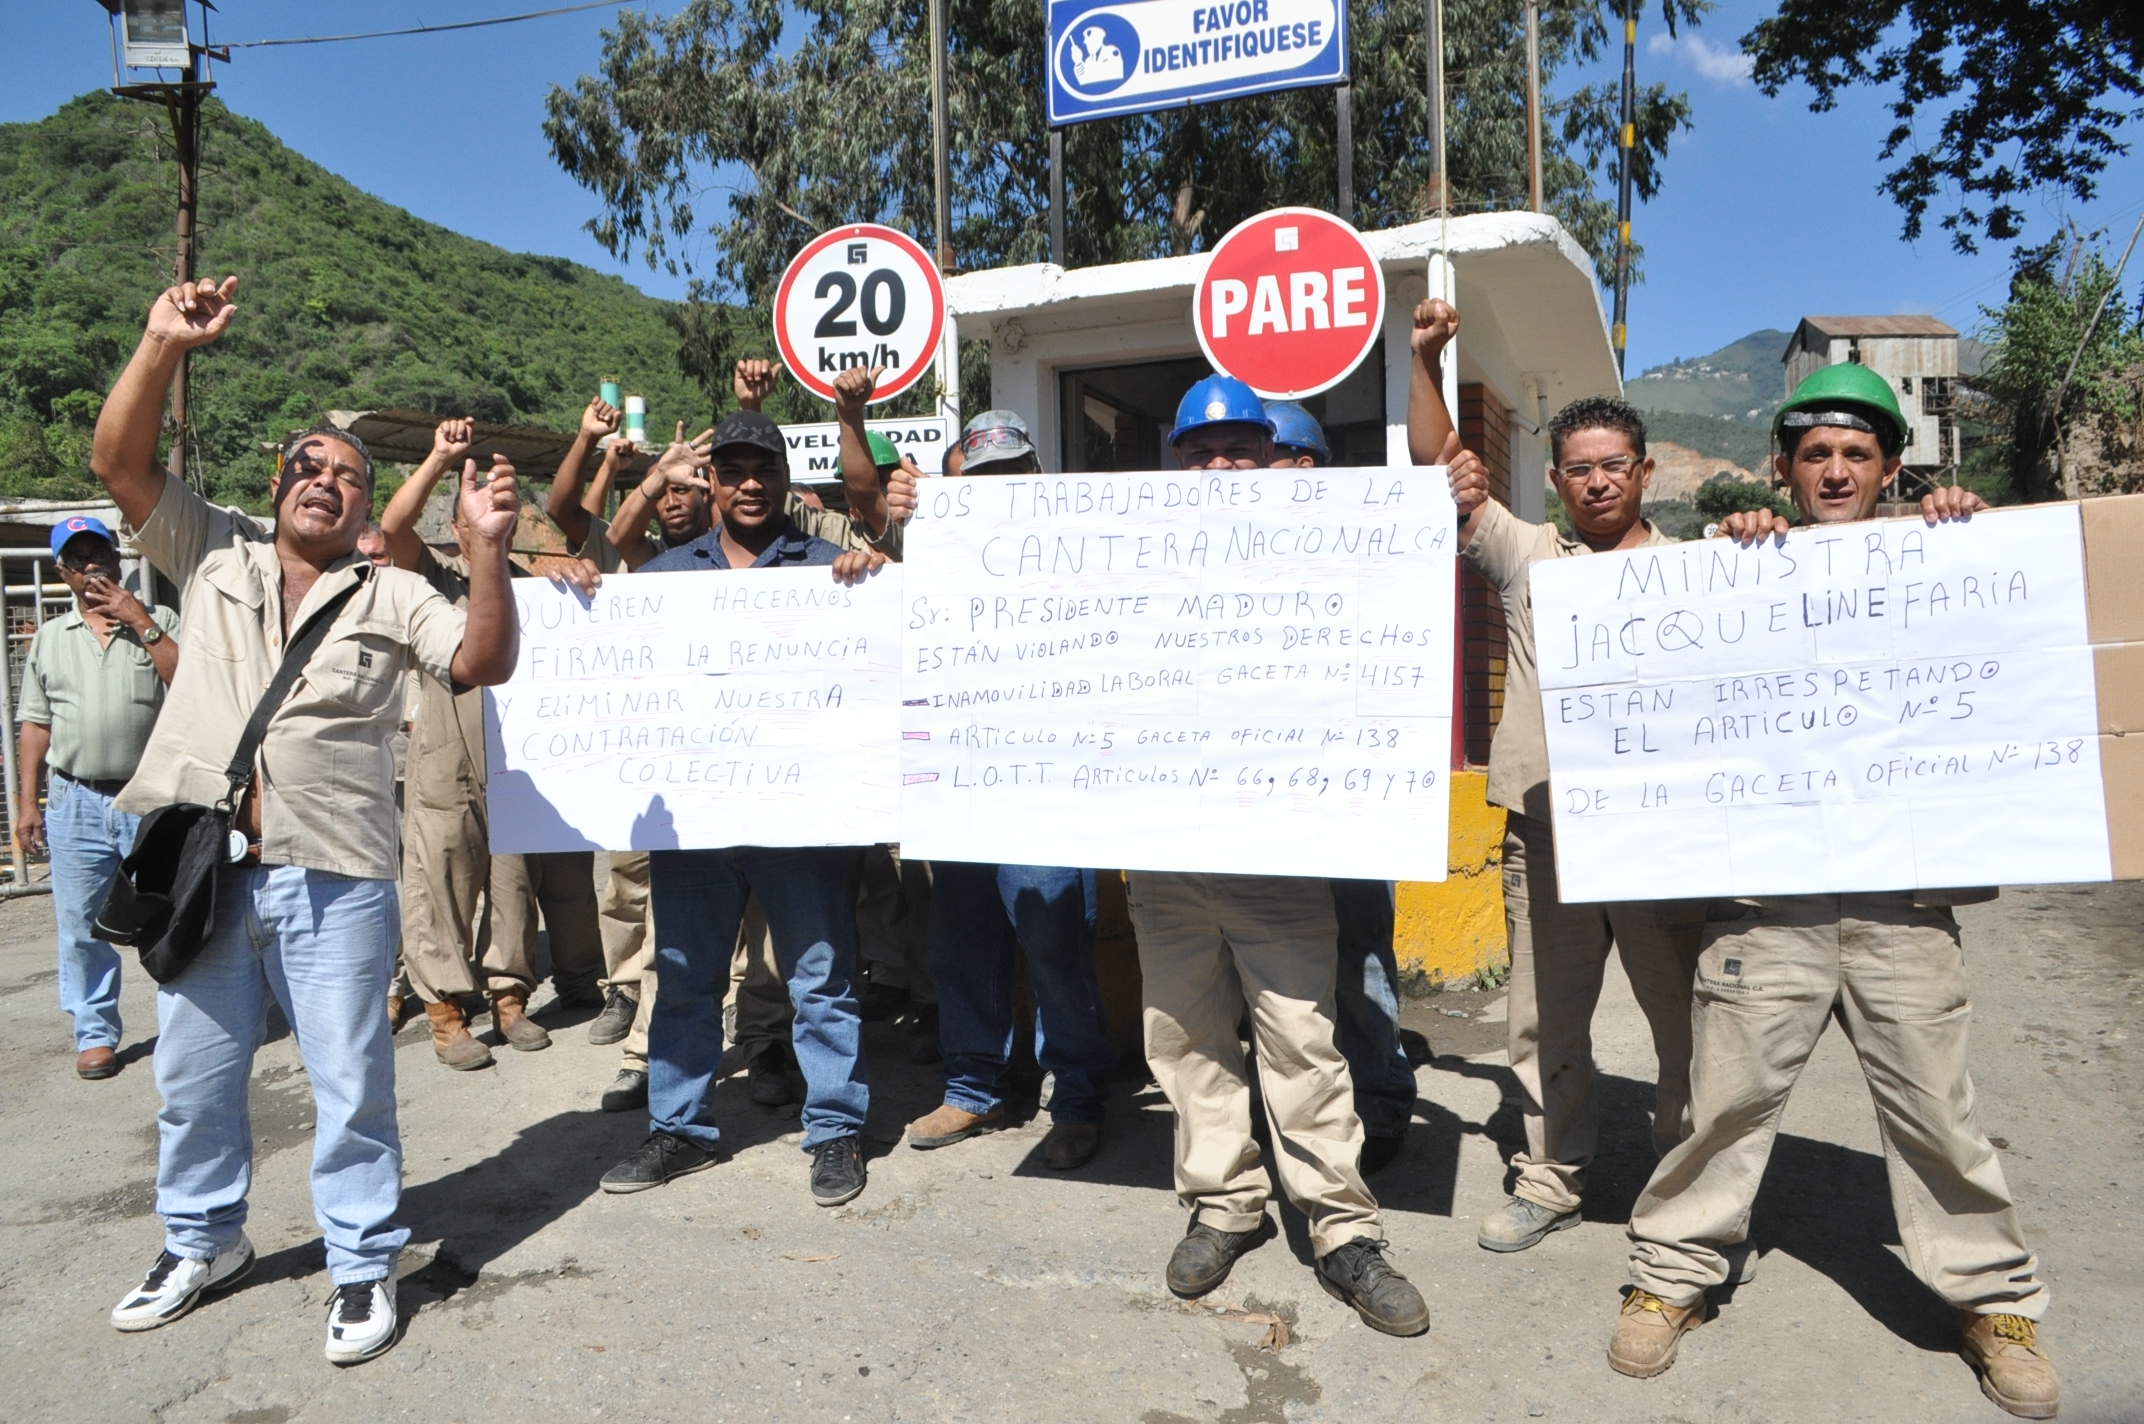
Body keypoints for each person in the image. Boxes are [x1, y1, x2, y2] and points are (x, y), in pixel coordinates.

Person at [1610, 363, 2057, 1421]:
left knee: (1936, 1117)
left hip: (1902, 906)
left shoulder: (1945, 558)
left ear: (1891, 467)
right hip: (1766, 905)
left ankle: (1992, 1301)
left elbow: (2009, 651)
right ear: (1782, 467)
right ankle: (1669, 1276)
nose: (1834, 469)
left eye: (1857, 453)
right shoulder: (1738, 571)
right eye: (1814, 453)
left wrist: (1974, 533)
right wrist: (1726, 563)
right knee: (1721, 1107)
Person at [89, 275, 522, 1365]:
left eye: (348, 477)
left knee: (349, 1081)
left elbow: (481, 660)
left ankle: (363, 1258)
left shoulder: (389, 590)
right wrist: (160, 344)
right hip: (207, 870)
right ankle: (202, 1240)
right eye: (309, 467)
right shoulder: (212, 550)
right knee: (192, 1078)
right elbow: (119, 467)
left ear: (370, 507)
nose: (324, 483)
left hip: (334, 873)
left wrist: (482, 550)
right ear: (276, 482)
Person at [1125, 372, 1430, 1338]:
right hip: (1167, 852)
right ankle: (1225, 1204)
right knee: (1185, 1043)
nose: (1221, 466)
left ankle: (1342, 1231)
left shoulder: (1329, 560)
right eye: (1203, 452)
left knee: (1304, 1042)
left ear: (1273, 461)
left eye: (1241, 451)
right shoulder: (1127, 560)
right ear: (1177, 464)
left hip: (1282, 853)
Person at [1405, 298, 1708, 1254]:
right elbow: (1438, 466)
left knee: (1689, 1024)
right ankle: (1554, 1172)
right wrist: (1424, 360)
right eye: (1577, 469)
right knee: (1544, 1024)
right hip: (1547, 833)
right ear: (1557, 479)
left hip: (1659, 835)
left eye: (1614, 465)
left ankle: (1689, 1182)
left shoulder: (1697, 573)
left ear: (1645, 473)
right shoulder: (1529, 554)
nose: (1596, 482)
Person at [598, 408, 885, 1209]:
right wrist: (580, 591)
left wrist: (875, 576)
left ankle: (833, 1132)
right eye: (735, 471)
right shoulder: (662, 577)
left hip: (803, 823)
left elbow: (885, 643)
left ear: (786, 480)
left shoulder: (833, 568)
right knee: (686, 978)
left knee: (820, 980)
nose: (751, 483)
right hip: (695, 823)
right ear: (713, 482)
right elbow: (609, 657)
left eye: (765, 469)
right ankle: (680, 1129)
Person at [904, 406, 1116, 1173]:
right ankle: (973, 1086)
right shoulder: (934, 557)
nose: (998, 488)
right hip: (958, 787)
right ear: (959, 484)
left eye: (1010, 474)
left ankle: (1080, 1096)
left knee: (1056, 943)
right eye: (981, 477)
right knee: (962, 944)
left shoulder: (1081, 554)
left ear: (1034, 476)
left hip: (1048, 791)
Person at [379, 417, 607, 1071]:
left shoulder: (533, 579)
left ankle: (509, 998)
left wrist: (577, 573)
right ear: (455, 527)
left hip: (518, 754)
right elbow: (393, 531)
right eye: (475, 518)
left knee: (511, 882)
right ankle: (447, 1013)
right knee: (440, 877)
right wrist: (437, 459)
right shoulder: (431, 575)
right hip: (446, 746)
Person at [1265, 400, 1419, 1173]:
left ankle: (1382, 1094)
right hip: (1263, 798)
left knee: (1359, 952)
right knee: (1278, 965)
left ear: (1304, 467)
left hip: (1353, 790)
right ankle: (1295, 1107)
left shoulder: (1363, 544)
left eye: (1268, 458)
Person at [15, 515, 179, 1079]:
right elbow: (35, 725)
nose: (93, 567)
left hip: (149, 797)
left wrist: (140, 621)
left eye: (101, 555)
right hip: (77, 801)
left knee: (169, 914)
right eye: (79, 559)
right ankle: (94, 1033)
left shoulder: (159, 620)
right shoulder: (52, 640)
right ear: (63, 572)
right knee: (82, 925)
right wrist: (27, 804)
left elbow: (191, 684)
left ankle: (189, 1026)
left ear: (117, 560)